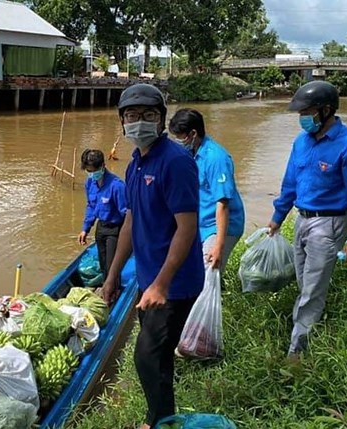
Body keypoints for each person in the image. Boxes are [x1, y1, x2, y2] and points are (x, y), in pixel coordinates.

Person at [101, 84, 205, 429]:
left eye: (148, 116)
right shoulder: (134, 163)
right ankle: (163, 418)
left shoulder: (175, 162)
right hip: (148, 279)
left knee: (147, 357)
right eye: (131, 116)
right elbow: (130, 221)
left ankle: (157, 422)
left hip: (174, 283)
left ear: (161, 119)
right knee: (157, 357)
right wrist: (114, 274)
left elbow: (186, 229)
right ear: (122, 121)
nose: (139, 122)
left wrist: (161, 284)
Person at [267, 80, 347, 360]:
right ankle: (309, 325)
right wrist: (278, 216)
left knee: (312, 288)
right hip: (302, 220)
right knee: (305, 282)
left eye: (308, 111)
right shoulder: (301, 142)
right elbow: (290, 182)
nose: (303, 118)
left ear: (326, 111)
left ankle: (297, 352)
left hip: (329, 224)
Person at [168, 108, 245, 272]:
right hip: (201, 223)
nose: (177, 141)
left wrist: (219, 245)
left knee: (208, 273)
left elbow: (223, 203)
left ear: (193, 134)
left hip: (220, 226)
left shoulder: (216, 158)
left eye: (179, 137)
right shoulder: (191, 153)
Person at [78, 149, 127, 287]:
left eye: (93, 170)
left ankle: (113, 291)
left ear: (102, 166)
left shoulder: (117, 186)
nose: (91, 174)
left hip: (115, 229)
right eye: (88, 171)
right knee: (103, 262)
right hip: (101, 227)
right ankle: (107, 286)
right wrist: (85, 229)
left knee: (112, 266)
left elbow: (127, 213)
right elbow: (91, 206)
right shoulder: (89, 183)